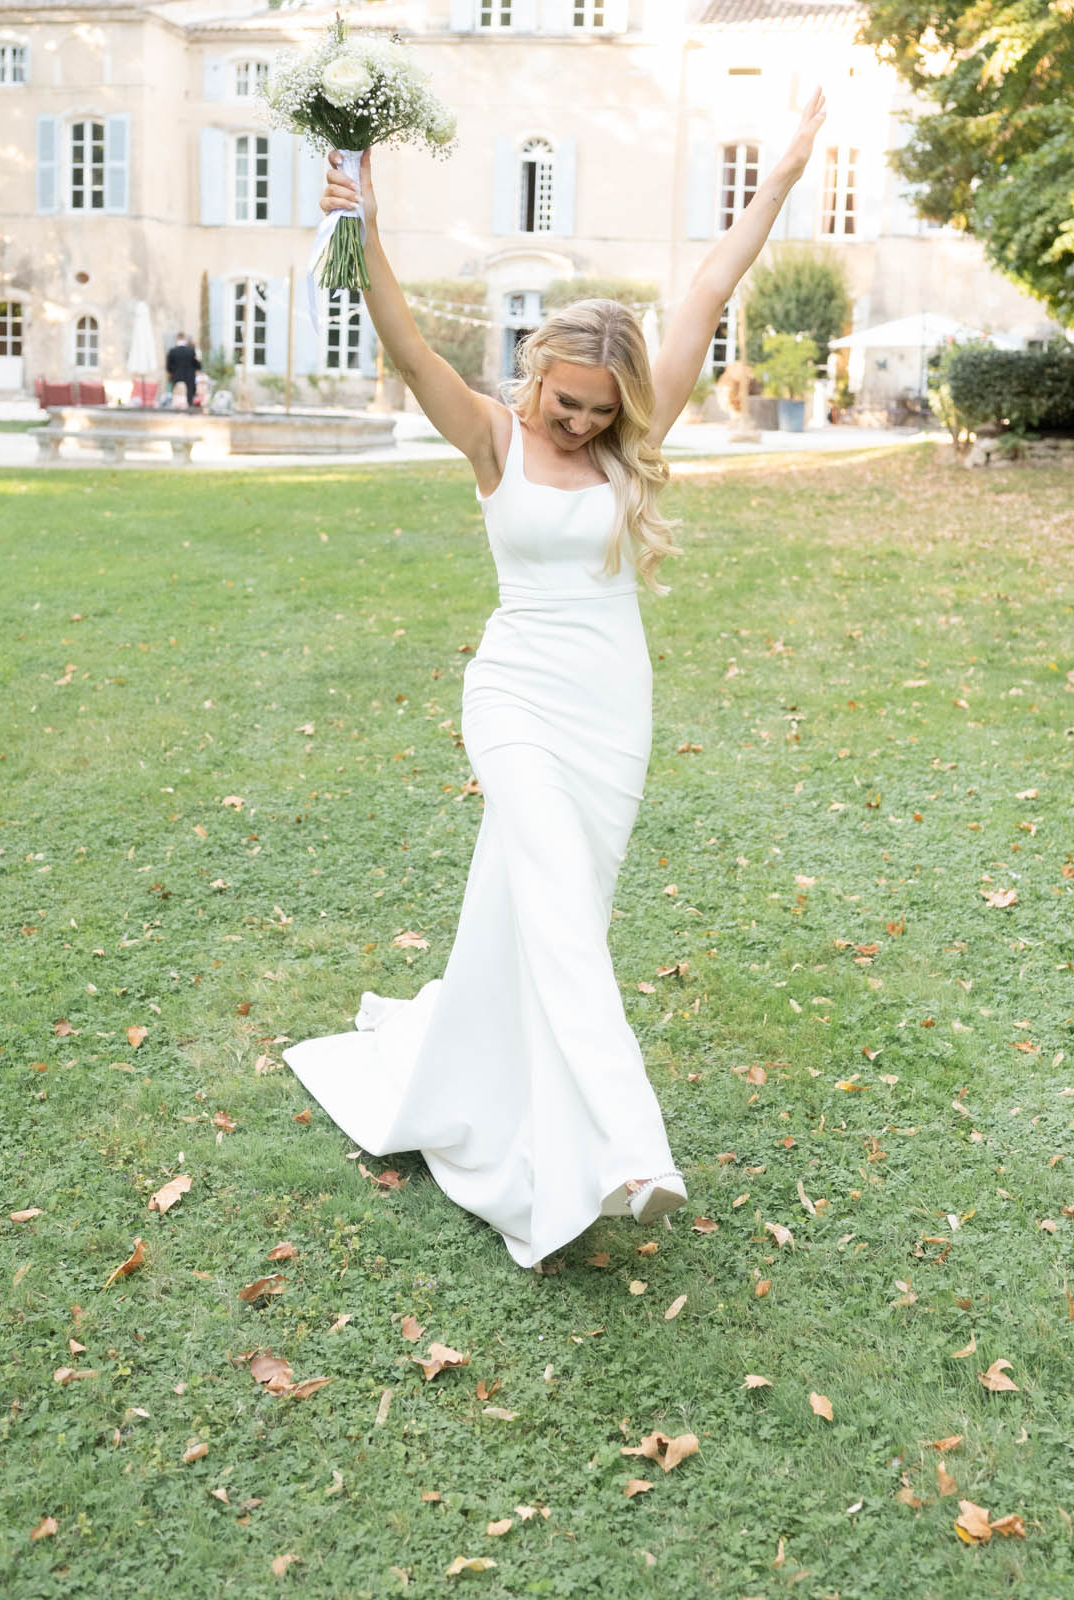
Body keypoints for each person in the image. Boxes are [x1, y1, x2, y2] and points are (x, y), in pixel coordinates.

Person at [283, 86, 829, 1269]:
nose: (577, 423)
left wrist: (781, 174)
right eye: (565, 401)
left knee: (546, 910)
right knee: (561, 910)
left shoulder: (631, 437)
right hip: (515, 694)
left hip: (610, 706)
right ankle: (628, 1147)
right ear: (536, 375)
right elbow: (404, 338)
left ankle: (476, 1076)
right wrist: (360, 209)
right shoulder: (491, 434)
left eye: (598, 410)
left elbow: (708, 286)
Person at [165, 331, 202, 408]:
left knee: (177, 399)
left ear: (177, 339)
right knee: (189, 400)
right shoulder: (191, 351)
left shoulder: (172, 351)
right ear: (184, 339)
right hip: (190, 379)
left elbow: (168, 367)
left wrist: (171, 375)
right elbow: (198, 366)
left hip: (177, 377)